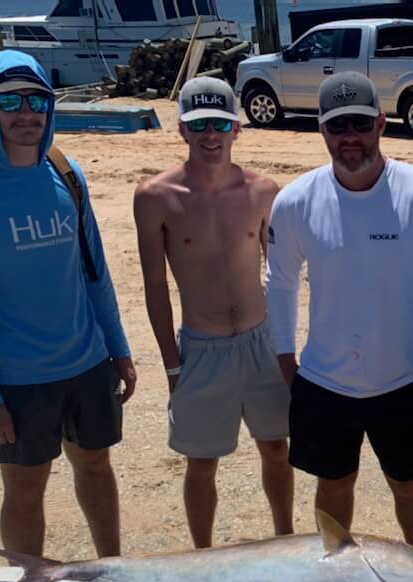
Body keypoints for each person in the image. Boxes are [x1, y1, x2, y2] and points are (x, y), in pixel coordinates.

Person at [0, 51, 135, 558]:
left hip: (87, 361)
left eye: (37, 100)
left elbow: (94, 271)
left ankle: (113, 568)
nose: (25, 113)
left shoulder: (66, 173)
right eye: (10, 101)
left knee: (95, 465)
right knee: (25, 487)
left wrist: (119, 349)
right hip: (18, 378)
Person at [265, 73, 413, 549]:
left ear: (381, 122)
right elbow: (280, 283)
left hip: (404, 379)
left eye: (360, 123)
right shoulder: (294, 201)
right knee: (333, 484)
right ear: (322, 129)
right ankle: (337, 568)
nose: (350, 137)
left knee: (411, 486)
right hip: (325, 379)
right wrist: (285, 360)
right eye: (338, 126)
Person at [134, 77, 293, 547]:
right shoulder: (155, 196)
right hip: (201, 347)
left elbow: (280, 276)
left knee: (276, 448)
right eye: (199, 124)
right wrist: (171, 363)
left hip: (260, 340)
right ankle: (202, 553)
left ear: (236, 129)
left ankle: (284, 540)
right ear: (182, 129)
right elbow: (155, 285)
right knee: (201, 463)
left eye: (220, 125)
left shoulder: (263, 191)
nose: (210, 135)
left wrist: (286, 347)